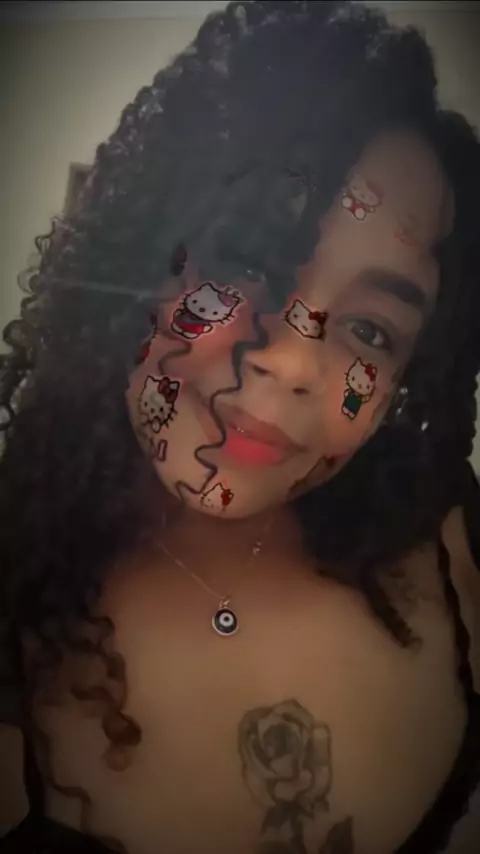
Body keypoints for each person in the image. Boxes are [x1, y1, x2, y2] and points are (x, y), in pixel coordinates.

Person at [0, 1, 479, 852]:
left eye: (371, 331)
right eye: (247, 263)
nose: (292, 362)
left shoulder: (450, 540)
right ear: (137, 254)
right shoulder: (14, 585)